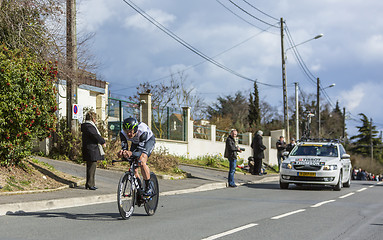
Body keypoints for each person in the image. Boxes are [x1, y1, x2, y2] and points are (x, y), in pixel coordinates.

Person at [117, 117, 156, 196]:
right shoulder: (122, 133)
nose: (128, 134)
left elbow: (139, 152)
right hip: (136, 142)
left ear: (135, 129)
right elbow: (125, 147)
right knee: (133, 168)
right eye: (126, 131)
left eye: (130, 131)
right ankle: (140, 189)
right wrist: (122, 153)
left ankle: (148, 187)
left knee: (141, 161)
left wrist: (130, 153)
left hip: (148, 141)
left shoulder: (142, 131)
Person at [81, 111, 106, 190]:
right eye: (95, 118)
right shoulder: (89, 126)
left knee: (91, 167)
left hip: (89, 149)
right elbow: (95, 135)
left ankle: (90, 183)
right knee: (92, 167)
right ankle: (90, 184)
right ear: (92, 118)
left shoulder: (86, 126)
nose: (95, 120)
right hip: (91, 149)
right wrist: (102, 141)